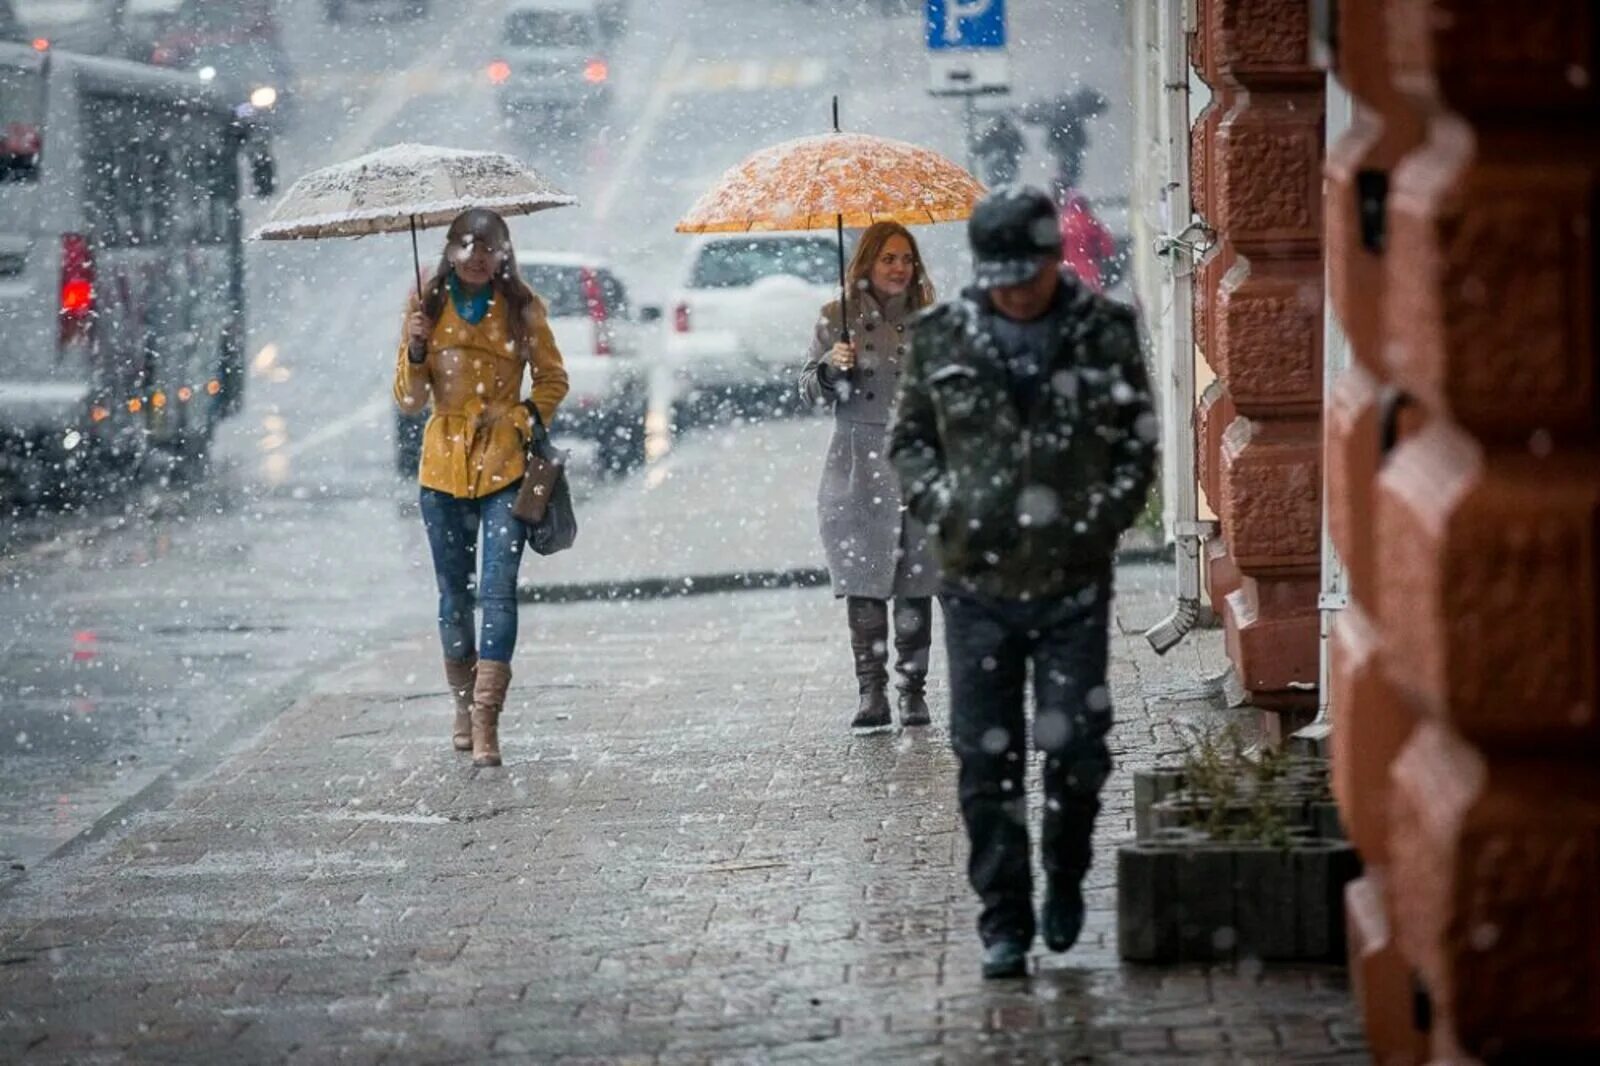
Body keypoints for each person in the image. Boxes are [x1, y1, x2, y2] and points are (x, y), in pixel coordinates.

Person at [890, 187, 1157, 978]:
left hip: (1073, 579)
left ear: (1053, 261)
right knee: (985, 761)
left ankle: (1066, 876)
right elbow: (910, 441)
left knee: (1075, 748)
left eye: (1027, 274)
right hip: (975, 584)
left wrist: (1102, 519)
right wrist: (944, 507)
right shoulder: (941, 338)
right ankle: (1004, 920)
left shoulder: (1102, 332)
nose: (1015, 290)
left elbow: (1137, 441)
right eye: (1000, 275)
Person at [394, 208, 569, 768]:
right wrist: (415, 349)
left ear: (503, 255)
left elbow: (552, 379)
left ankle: (487, 718)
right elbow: (409, 400)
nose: (476, 258)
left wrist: (520, 419)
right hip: (442, 469)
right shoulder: (426, 307)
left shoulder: (521, 307)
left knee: (497, 590)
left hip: (503, 467)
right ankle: (462, 704)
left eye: (487, 248)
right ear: (449, 252)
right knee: (453, 595)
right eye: (466, 248)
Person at [799, 221, 941, 734]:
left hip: (917, 459)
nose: (899, 268)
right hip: (856, 462)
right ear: (867, 263)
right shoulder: (836, 318)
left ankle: (913, 691)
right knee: (863, 579)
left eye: (906, 258)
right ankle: (872, 692)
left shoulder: (932, 319)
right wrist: (834, 369)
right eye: (888, 259)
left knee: (915, 580)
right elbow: (808, 392)